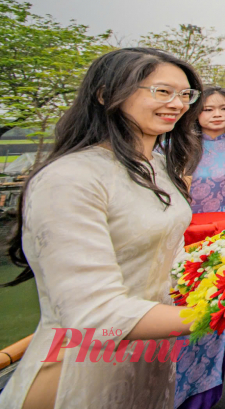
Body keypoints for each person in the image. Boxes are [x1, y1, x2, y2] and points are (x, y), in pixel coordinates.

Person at [0, 48, 201, 409]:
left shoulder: (157, 166)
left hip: (150, 358)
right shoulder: (70, 178)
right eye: (162, 91)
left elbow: (167, 255)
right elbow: (95, 313)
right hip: (79, 367)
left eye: (186, 94)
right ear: (106, 94)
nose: (178, 103)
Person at [173, 85, 225, 409]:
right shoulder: (175, 144)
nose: (217, 114)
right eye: (208, 109)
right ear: (195, 112)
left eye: (224, 108)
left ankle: (205, 393)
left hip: (221, 237)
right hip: (181, 237)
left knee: (216, 307)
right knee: (180, 308)